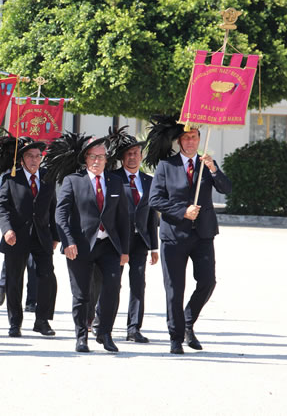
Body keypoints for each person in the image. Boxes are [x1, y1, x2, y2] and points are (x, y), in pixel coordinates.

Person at [147, 116, 231, 354]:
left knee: (207, 281)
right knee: (175, 288)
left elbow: (226, 188)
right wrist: (182, 211)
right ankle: (175, 336)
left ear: (199, 140)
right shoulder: (166, 166)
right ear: (179, 141)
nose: (191, 142)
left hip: (203, 234)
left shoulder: (207, 164)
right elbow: (155, 200)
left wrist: (214, 169)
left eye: (194, 137)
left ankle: (187, 322)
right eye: (186, 138)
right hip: (174, 235)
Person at [52, 134, 130, 353]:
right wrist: (67, 242)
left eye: (101, 157)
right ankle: (81, 335)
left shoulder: (116, 182)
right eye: (92, 157)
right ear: (85, 159)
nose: (97, 161)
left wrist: (124, 250)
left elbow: (124, 218)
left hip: (109, 246)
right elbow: (61, 214)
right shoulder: (72, 181)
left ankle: (104, 332)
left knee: (113, 288)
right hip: (81, 246)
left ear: (107, 160)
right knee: (82, 294)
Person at [0, 136, 59, 337]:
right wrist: (7, 229)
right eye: (29, 156)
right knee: (14, 280)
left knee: (47, 277)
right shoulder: (11, 178)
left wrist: (56, 235)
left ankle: (42, 321)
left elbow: (53, 208)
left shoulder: (47, 177)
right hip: (17, 236)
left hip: (42, 236)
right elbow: (3, 206)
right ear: (22, 159)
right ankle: (15, 322)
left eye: (37, 156)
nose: (34, 160)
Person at [109, 128, 159, 343]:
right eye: (128, 154)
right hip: (117, 241)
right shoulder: (113, 179)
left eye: (136, 153)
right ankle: (104, 324)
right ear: (122, 157)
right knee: (112, 283)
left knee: (138, 284)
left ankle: (133, 328)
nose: (132, 157)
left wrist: (154, 246)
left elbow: (151, 215)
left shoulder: (149, 181)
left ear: (141, 156)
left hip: (140, 241)